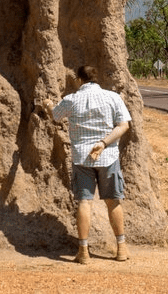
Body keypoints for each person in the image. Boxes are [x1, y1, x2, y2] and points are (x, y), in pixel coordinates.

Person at [42, 65, 132, 265]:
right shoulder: (112, 97)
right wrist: (103, 143)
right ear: (95, 78)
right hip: (108, 156)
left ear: (79, 79)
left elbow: (55, 115)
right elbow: (124, 125)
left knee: (85, 202)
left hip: (82, 158)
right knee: (113, 201)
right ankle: (122, 248)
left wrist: (48, 104)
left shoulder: (72, 100)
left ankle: (83, 252)